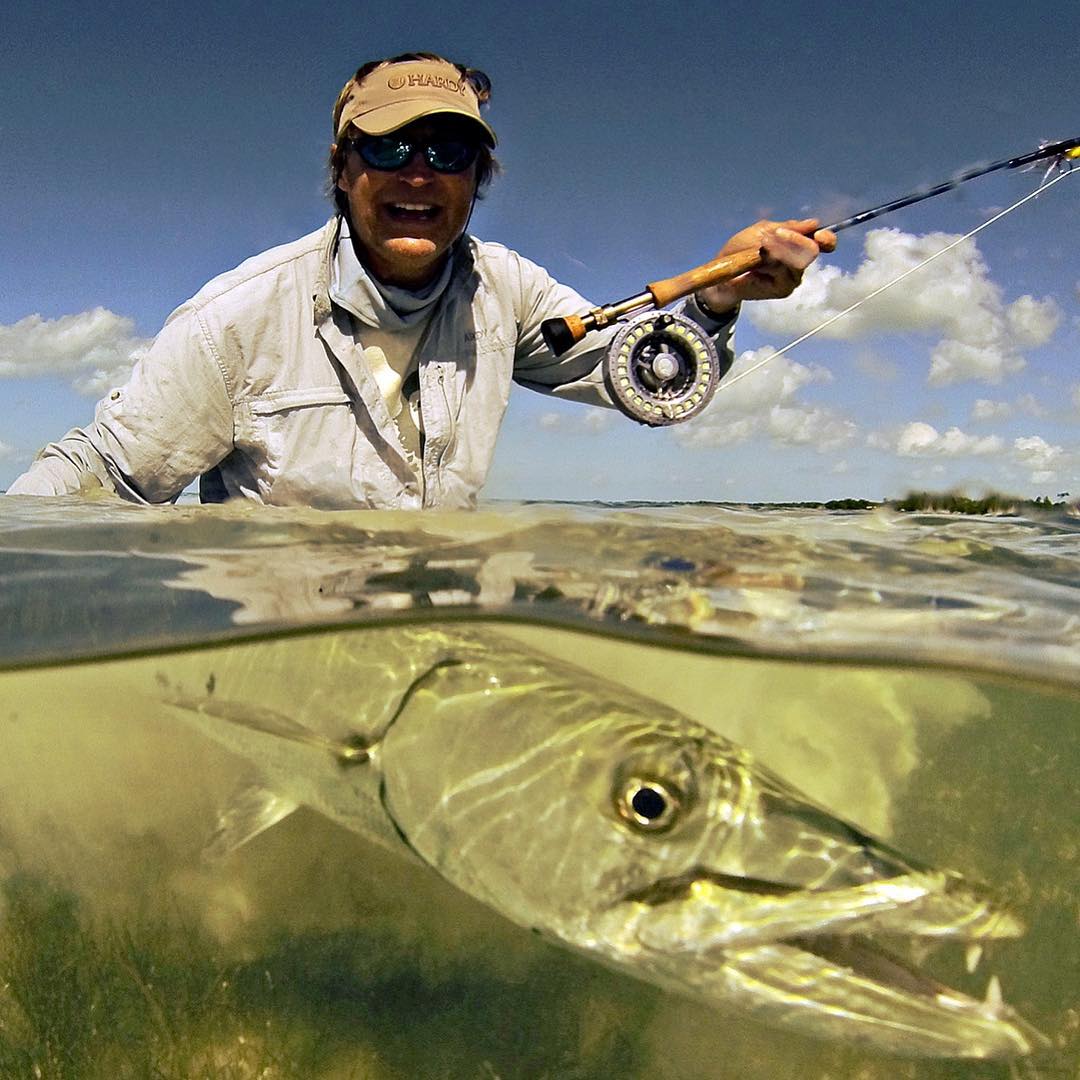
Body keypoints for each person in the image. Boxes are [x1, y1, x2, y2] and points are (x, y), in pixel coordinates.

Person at [9, 53, 833, 508]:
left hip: (431, 638)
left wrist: (720, 298)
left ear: (479, 178)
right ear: (341, 170)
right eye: (386, 148)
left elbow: (645, 385)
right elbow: (104, 475)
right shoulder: (236, 318)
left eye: (448, 153)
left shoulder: (508, 291)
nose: (418, 175)